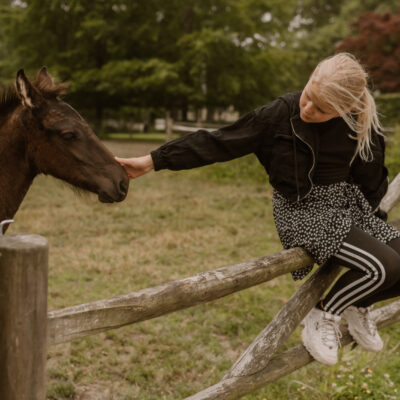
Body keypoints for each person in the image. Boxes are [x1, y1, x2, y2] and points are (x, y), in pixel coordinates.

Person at [116, 52, 400, 366]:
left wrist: (373, 220)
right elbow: (219, 142)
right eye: (308, 96)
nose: (308, 108)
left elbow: (371, 178)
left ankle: (358, 305)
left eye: (321, 109)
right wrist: (152, 160)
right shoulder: (278, 115)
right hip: (302, 211)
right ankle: (324, 313)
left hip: (345, 206)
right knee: (382, 266)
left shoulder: (359, 122)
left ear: (345, 108)